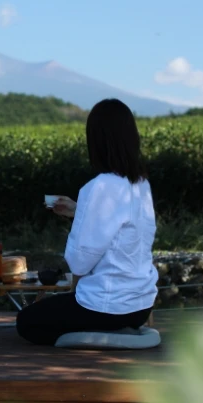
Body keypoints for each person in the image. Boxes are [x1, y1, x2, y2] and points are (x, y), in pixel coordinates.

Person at [16, 98, 158, 346]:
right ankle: (118, 331)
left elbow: (79, 262)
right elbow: (123, 231)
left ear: (96, 141)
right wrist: (79, 211)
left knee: (27, 321)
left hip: (106, 306)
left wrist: (81, 216)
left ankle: (95, 337)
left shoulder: (99, 187)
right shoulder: (141, 185)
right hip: (140, 306)